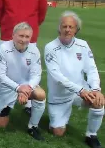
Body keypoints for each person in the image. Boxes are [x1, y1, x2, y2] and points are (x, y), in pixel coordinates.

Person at [0, 0, 47, 114]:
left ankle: (28, 104)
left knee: (27, 71)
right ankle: (1, 99)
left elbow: (42, 14)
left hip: (29, 39)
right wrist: (7, 26)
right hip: (7, 37)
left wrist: (29, 31)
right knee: (3, 71)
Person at [45, 11, 104, 148]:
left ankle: (91, 135)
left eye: (71, 27)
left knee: (98, 101)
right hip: (59, 96)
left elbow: (91, 69)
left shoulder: (83, 45)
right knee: (58, 132)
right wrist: (80, 90)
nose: (67, 30)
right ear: (59, 28)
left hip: (81, 91)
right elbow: (57, 77)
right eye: (64, 26)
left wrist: (96, 89)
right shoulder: (50, 47)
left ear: (76, 29)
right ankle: (55, 121)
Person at [0, 22, 46, 141]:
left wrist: (27, 88)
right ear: (13, 35)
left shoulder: (34, 50)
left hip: (26, 87)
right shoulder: (4, 48)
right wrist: (18, 88)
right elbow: (0, 75)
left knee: (41, 94)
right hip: (7, 87)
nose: (23, 39)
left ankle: (33, 127)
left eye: (27, 37)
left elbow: (36, 75)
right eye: (21, 36)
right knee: (1, 124)